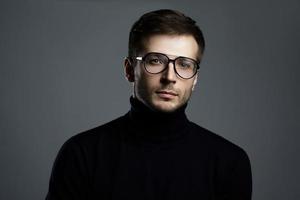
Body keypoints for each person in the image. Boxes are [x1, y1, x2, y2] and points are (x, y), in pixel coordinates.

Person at [46, 9, 252, 200]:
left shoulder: (229, 163)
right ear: (129, 70)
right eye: (155, 61)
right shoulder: (81, 154)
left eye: (184, 64)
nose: (170, 77)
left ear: (195, 78)